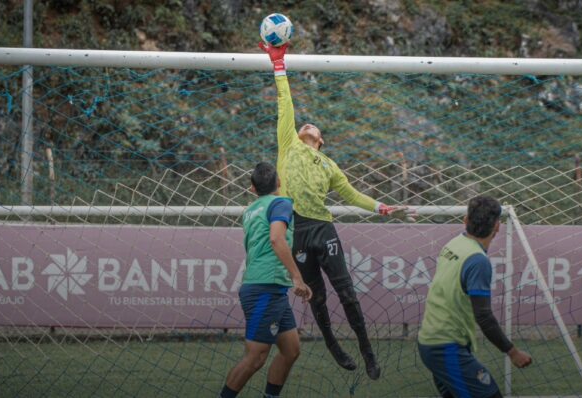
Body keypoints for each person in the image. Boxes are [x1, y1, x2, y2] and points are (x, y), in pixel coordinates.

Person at [258, 41, 416, 380]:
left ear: (320, 140)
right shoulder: (288, 145)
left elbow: (351, 194)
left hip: (323, 229)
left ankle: (368, 352)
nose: (308, 126)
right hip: (297, 229)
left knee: (346, 293)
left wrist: (381, 207)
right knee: (315, 297)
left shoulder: (330, 165)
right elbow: (285, 104)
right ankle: (332, 344)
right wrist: (278, 63)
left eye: (313, 128)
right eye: (305, 125)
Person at [417, 196, 532, 398]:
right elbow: (484, 317)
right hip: (445, 348)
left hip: (431, 341)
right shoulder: (478, 261)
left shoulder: (454, 243)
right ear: (497, 227)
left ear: (465, 220)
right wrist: (513, 352)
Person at [220, 162, 313, 398]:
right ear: (279, 183)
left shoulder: (251, 210)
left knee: (291, 350)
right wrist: (297, 277)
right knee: (256, 357)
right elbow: (276, 239)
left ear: (252, 188)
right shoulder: (280, 203)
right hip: (263, 289)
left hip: (270, 289)